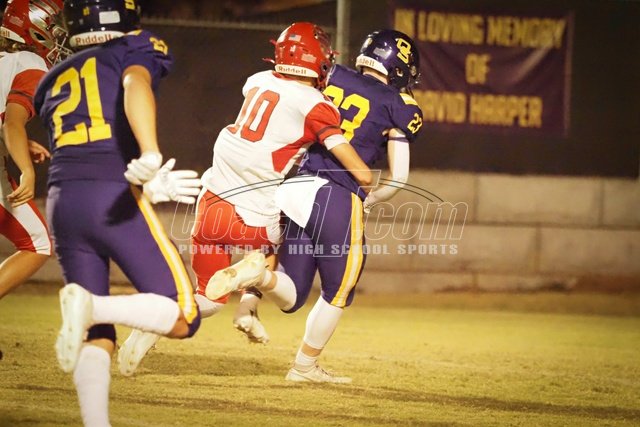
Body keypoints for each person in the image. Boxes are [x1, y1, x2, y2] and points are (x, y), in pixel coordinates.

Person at [211, 29, 424, 383]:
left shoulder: (332, 76)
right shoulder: (398, 105)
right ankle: (304, 367)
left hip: (296, 185)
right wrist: (369, 200)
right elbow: (398, 178)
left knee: (293, 294)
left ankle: (258, 276)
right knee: (339, 290)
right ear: (400, 68)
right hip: (337, 194)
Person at [34, 1, 201, 425]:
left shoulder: (52, 77)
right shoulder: (132, 47)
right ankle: (93, 306)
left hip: (61, 200)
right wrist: (150, 153)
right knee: (184, 317)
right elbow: (134, 82)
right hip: (111, 192)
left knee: (96, 336)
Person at [190, 21, 371, 337]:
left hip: (210, 206)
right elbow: (361, 173)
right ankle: (248, 303)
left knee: (206, 300)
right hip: (254, 222)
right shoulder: (315, 105)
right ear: (318, 59)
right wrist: (368, 180)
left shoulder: (258, 81)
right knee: (284, 241)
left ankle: (149, 323)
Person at [0, 0, 69, 300]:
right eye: (55, 27)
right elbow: (12, 122)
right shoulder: (30, 63)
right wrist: (27, 171)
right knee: (38, 244)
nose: (59, 35)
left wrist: (20, 142)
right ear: (37, 27)